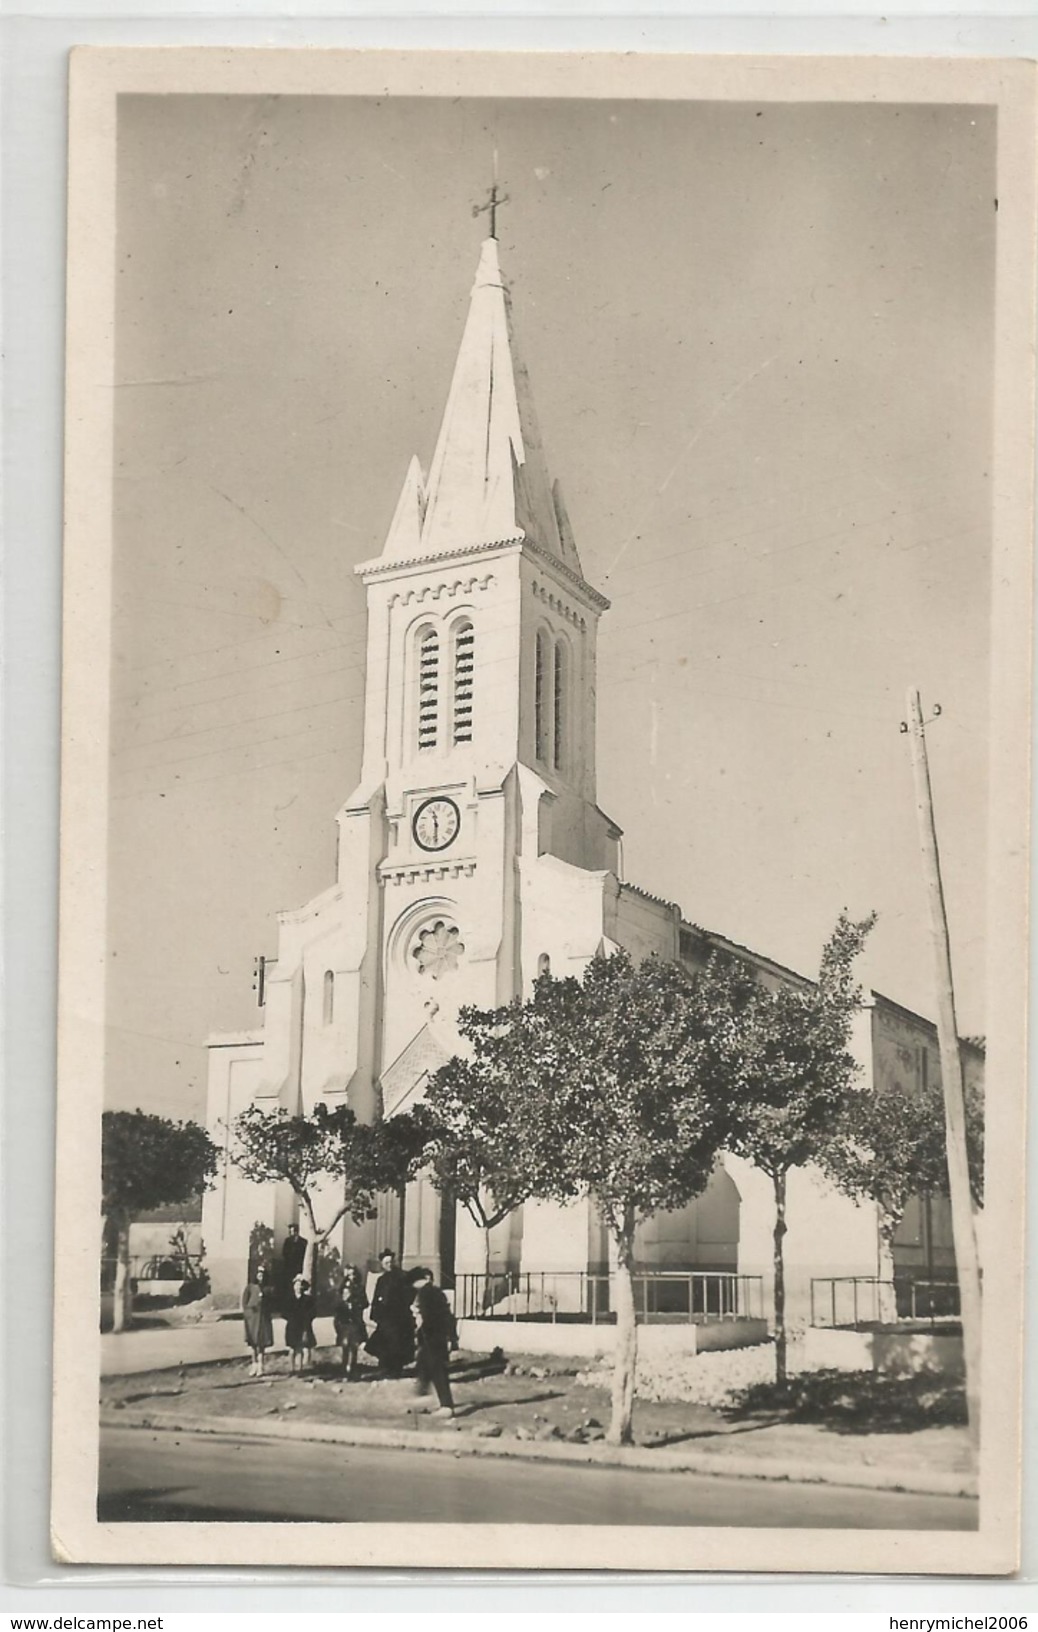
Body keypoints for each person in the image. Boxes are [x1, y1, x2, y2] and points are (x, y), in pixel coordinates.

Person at [409, 1265, 459, 1418]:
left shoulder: (426, 1293)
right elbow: (447, 1315)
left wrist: (418, 1322)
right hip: (436, 1337)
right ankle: (423, 1398)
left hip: (433, 1338)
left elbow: (431, 1317)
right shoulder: (436, 1292)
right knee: (424, 1365)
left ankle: (446, 1405)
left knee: (437, 1369)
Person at [365, 1248, 415, 1377]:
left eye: (391, 1262)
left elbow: (411, 1292)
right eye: (386, 1263)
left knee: (397, 1342)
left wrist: (404, 1304)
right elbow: (376, 1297)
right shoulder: (381, 1280)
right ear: (382, 1264)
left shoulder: (403, 1276)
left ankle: (396, 1368)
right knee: (384, 1342)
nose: (389, 1265)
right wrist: (375, 1314)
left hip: (399, 1316)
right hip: (385, 1317)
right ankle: (386, 1367)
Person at [333, 1264, 369, 1379]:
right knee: (345, 1345)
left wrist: (356, 1304)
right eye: (349, 1275)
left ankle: (353, 1368)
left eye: (353, 1274)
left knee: (354, 1346)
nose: (351, 1277)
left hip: (355, 1320)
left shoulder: (359, 1287)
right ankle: (344, 1368)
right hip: (344, 1321)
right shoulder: (343, 1286)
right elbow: (337, 1303)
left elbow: (365, 1303)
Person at [241, 1264, 274, 1377]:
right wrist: (249, 1314)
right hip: (252, 1320)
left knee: (261, 1344)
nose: (260, 1276)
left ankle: (261, 1366)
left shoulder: (268, 1289)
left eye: (263, 1274)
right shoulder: (250, 1287)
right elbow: (244, 1303)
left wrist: (265, 1299)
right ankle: (254, 1365)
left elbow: (271, 1304)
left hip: (263, 1319)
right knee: (253, 1344)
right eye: (259, 1274)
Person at [284, 1274, 316, 1374]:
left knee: (301, 1348)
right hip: (292, 1326)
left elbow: (313, 1312)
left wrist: (307, 1319)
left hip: (303, 1326)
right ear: (293, 1286)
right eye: (296, 1285)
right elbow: (284, 1312)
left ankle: (300, 1368)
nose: (298, 1287)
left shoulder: (308, 1299)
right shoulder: (289, 1299)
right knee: (292, 1349)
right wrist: (291, 1318)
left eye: (300, 1285)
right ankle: (292, 1368)